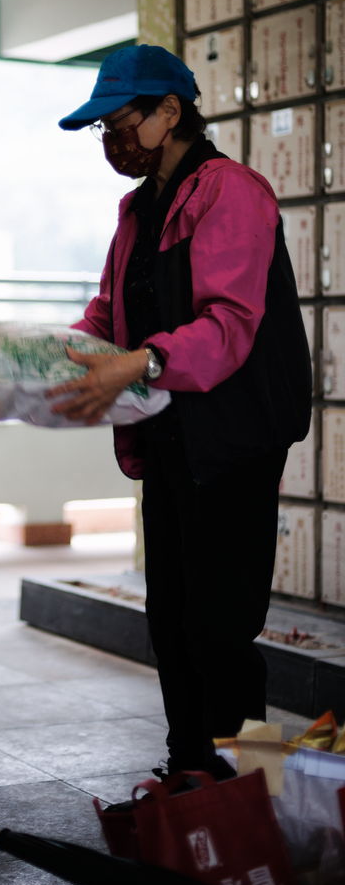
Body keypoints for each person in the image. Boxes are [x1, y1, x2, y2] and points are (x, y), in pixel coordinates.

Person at [49, 43, 311, 780]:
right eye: (102, 131)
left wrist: (141, 362)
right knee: (170, 621)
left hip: (233, 441)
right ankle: (189, 772)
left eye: (121, 123)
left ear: (171, 111)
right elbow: (110, 311)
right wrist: (40, 356)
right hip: (168, 438)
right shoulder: (138, 209)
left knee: (223, 630)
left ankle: (253, 786)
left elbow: (229, 323)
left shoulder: (232, 191)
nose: (113, 141)